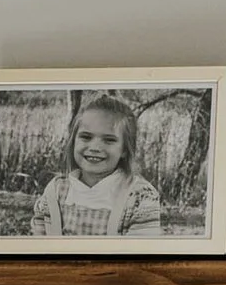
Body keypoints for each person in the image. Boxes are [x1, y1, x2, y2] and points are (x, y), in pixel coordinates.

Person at [30, 91, 165, 239]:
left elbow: (140, 255)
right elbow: (39, 243)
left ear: (125, 150)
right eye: (86, 137)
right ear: (73, 141)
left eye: (109, 140)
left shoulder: (140, 197)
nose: (95, 147)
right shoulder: (56, 192)